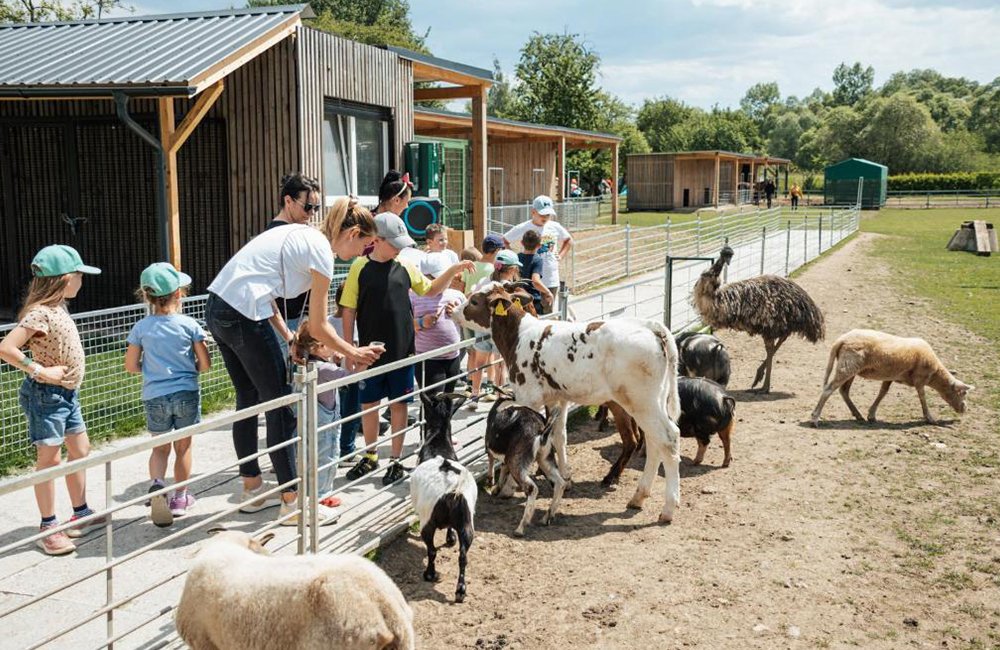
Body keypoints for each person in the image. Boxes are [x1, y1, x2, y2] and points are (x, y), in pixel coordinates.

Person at [205, 187, 382, 527]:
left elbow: (266, 291)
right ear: (352, 234)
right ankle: (293, 504)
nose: (364, 252)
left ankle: (253, 490)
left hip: (219, 308)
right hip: (242, 314)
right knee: (282, 408)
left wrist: (286, 336)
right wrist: (353, 351)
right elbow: (317, 324)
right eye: (365, 245)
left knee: (250, 400)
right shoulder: (322, 252)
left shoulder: (301, 235)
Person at [341, 212, 473, 485]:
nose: (400, 248)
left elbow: (431, 290)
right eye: (395, 243)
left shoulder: (404, 266)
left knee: (399, 404)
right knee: (369, 405)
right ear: (376, 240)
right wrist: (348, 349)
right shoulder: (359, 267)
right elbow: (349, 309)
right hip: (370, 351)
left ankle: (396, 459)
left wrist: (452, 269)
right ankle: (371, 454)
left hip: (403, 350)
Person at [0, 245, 106, 555]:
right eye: (79, 276)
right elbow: (6, 347)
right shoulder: (40, 312)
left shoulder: (58, 307)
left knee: (81, 449)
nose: (82, 282)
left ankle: (81, 511)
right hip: (47, 396)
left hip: (67, 395)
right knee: (50, 460)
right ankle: (48, 526)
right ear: (64, 278)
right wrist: (39, 369)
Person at [124, 263, 211, 527]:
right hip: (185, 391)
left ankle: (158, 486)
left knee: (160, 448)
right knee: (183, 447)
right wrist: (191, 368)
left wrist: (149, 370)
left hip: (155, 395)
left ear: (147, 296)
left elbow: (130, 366)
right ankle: (181, 498)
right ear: (179, 294)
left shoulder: (141, 328)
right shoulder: (189, 325)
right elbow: (205, 365)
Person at [294, 321, 350, 506]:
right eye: (332, 343)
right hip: (325, 421)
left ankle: (310, 494)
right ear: (319, 347)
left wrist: (335, 360)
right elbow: (349, 377)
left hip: (309, 419)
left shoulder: (307, 364)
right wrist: (362, 361)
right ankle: (321, 496)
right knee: (328, 456)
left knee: (309, 457)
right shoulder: (325, 369)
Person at [266, 173, 321, 359]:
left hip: (301, 317)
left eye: (316, 208)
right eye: (307, 207)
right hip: (283, 321)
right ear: (288, 201)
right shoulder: (276, 235)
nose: (311, 213)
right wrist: (288, 336)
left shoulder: (300, 231)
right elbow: (267, 294)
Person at [502, 195, 572, 313]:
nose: (545, 217)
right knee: (527, 313)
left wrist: (560, 256)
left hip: (550, 279)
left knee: (547, 312)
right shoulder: (523, 227)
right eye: (542, 214)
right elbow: (504, 240)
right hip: (528, 281)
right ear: (533, 212)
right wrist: (513, 258)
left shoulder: (554, 226)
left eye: (548, 215)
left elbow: (569, 240)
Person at [411, 254, 465, 395]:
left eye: (446, 278)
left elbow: (466, 321)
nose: (443, 282)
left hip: (453, 356)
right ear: (425, 277)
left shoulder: (456, 295)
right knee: (434, 402)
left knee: (448, 400)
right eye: (437, 278)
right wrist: (421, 322)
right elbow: (404, 325)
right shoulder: (413, 296)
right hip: (428, 359)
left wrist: (457, 313)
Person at [462, 235, 503, 408]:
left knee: (474, 352)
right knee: (492, 356)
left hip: (470, 315)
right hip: (486, 320)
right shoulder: (491, 270)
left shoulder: (470, 267)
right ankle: (491, 384)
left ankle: (472, 385)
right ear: (496, 251)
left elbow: (465, 289)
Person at [328, 284, 362, 467]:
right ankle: (346, 451)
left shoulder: (327, 322)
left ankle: (337, 449)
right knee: (351, 414)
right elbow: (354, 349)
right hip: (351, 376)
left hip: (332, 377)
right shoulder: (353, 323)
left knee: (335, 415)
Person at [517, 229, 552, 314]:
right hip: (532, 300)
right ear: (540, 245)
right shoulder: (537, 260)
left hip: (518, 298)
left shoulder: (517, 257)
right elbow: (535, 281)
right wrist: (548, 292)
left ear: (522, 243)